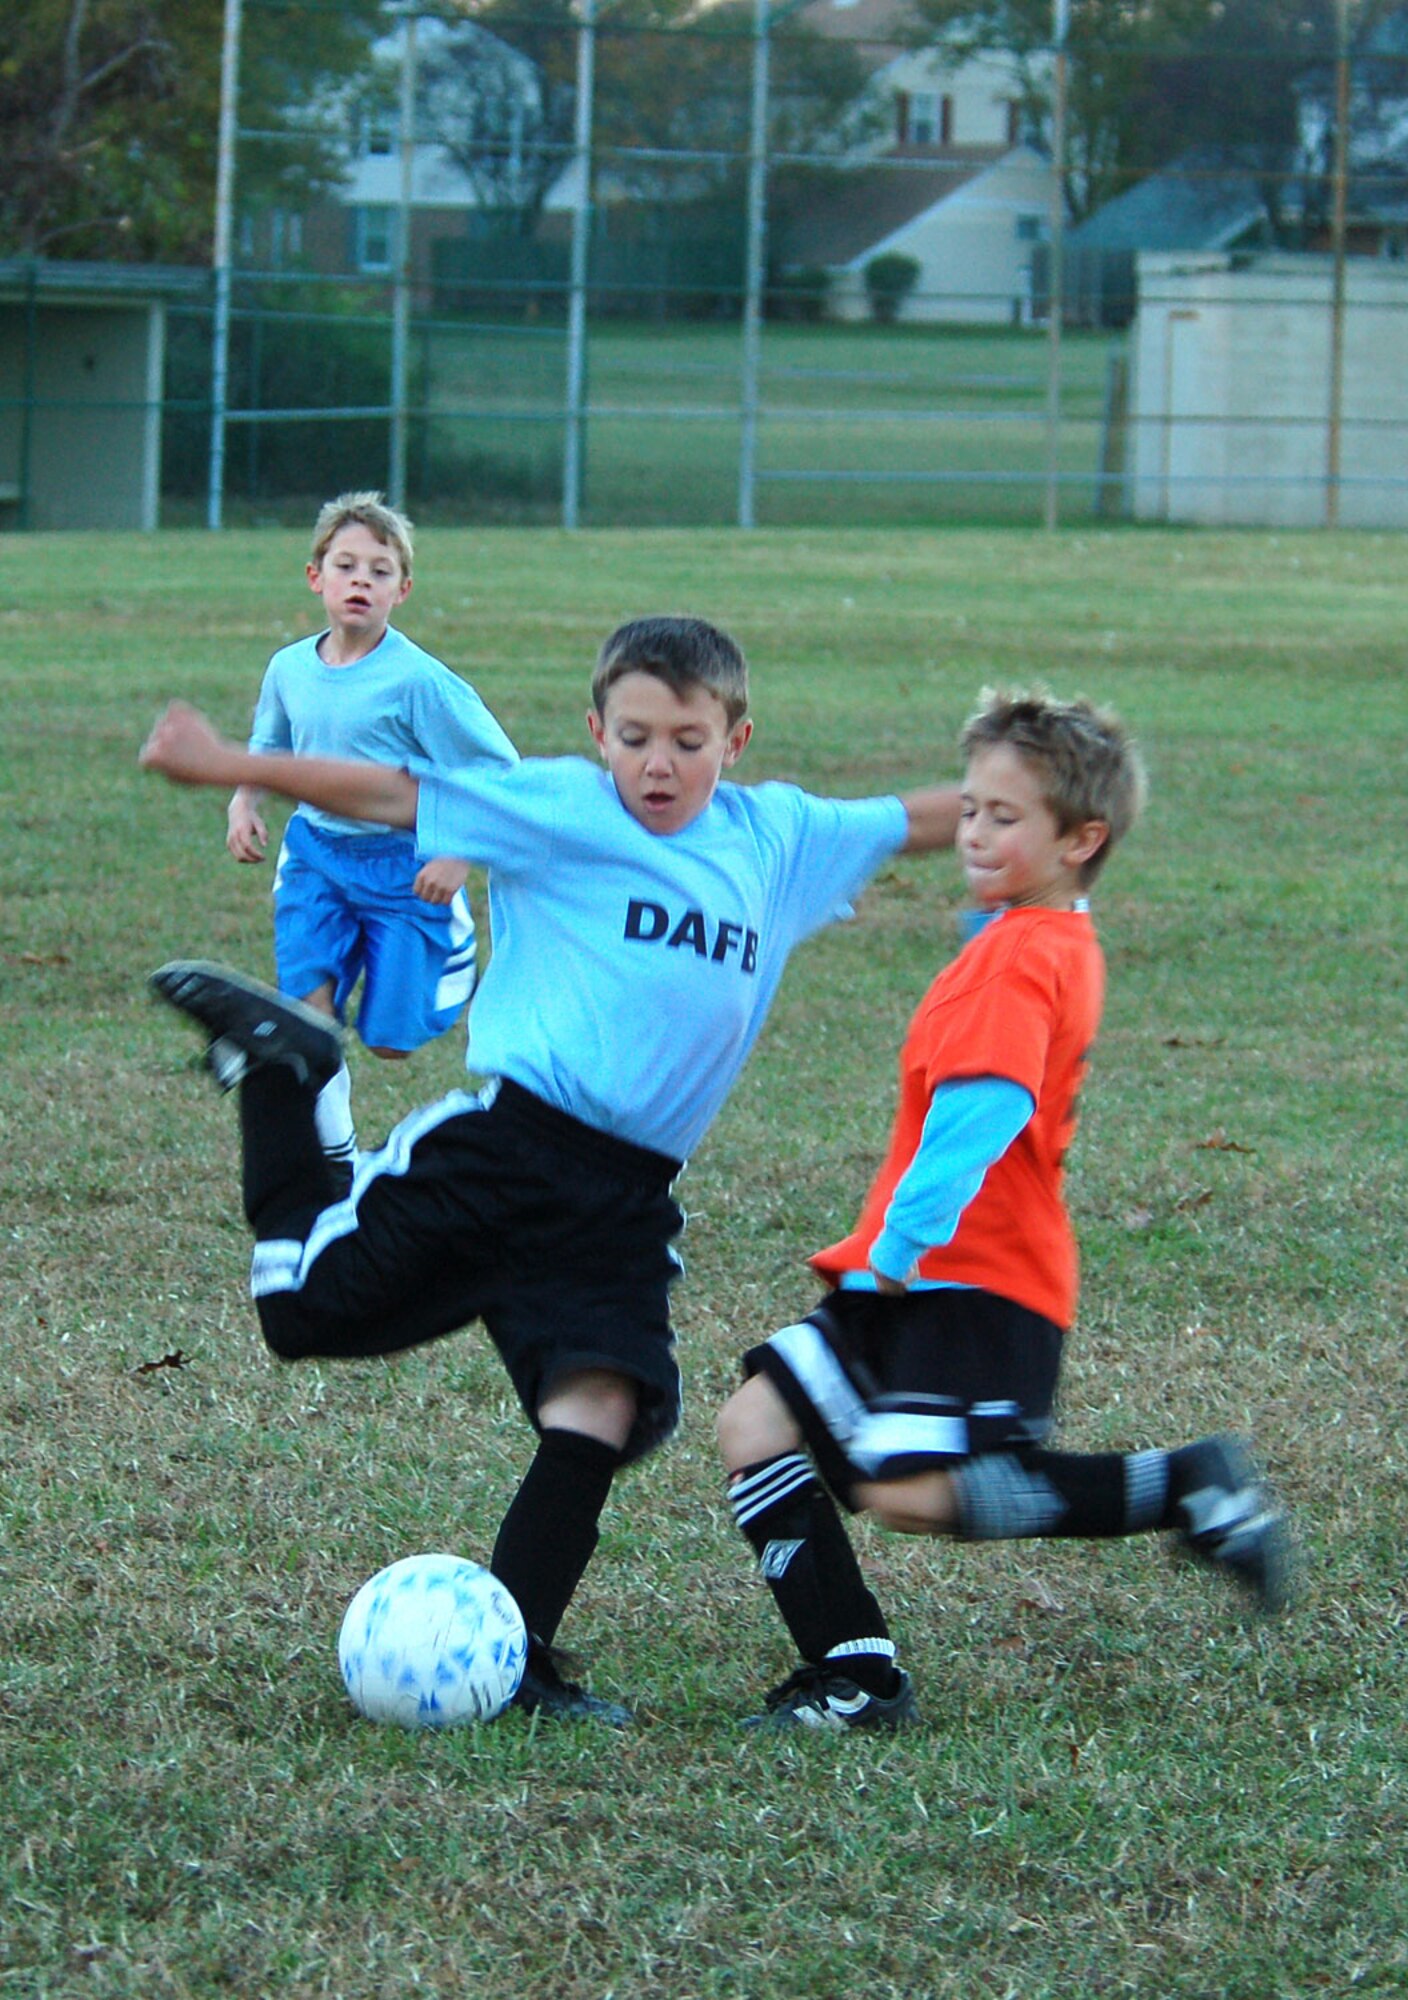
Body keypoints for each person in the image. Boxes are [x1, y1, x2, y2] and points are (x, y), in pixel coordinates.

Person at [138, 615, 961, 1726]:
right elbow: (387, 789)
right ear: (597, 731)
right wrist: (228, 765)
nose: (657, 763)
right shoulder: (560, 803)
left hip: (625, 1196)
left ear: (737, 738)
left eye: (686, 738)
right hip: (508, 1151)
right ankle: (288, 1069)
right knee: (297, 1313)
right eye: (633, 736)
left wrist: (1038, 818)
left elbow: (915, 818)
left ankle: (514, 1660)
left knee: (599, 1408)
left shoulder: (780, 837)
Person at [717, 688, 1292, 1734]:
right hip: (911, 1270)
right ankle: (855, 1670)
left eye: (1005, 817)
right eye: (971, 809)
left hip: (969, 1280)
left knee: (908, 1490)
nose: (974, 832)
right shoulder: (1041, 932)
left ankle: (1185, 1484)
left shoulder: (1028, 954)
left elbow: (985, 1113)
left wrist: (898, 1244)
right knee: (756, 1423)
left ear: (1082, 839)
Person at [226, 491, 518, 1181]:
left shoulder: (420, 683)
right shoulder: (289, 668)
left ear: (403, 590)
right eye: (346, 565)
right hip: (316, 858)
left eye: (379, 571)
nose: (361, 581)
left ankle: (448, 949)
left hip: (404, 868)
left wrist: (456, 852)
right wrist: (244, 802)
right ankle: (336, 1156)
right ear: (315, 577)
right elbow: (268, 748)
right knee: (310, 1017)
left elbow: (499, 773)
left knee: (389, 1041)